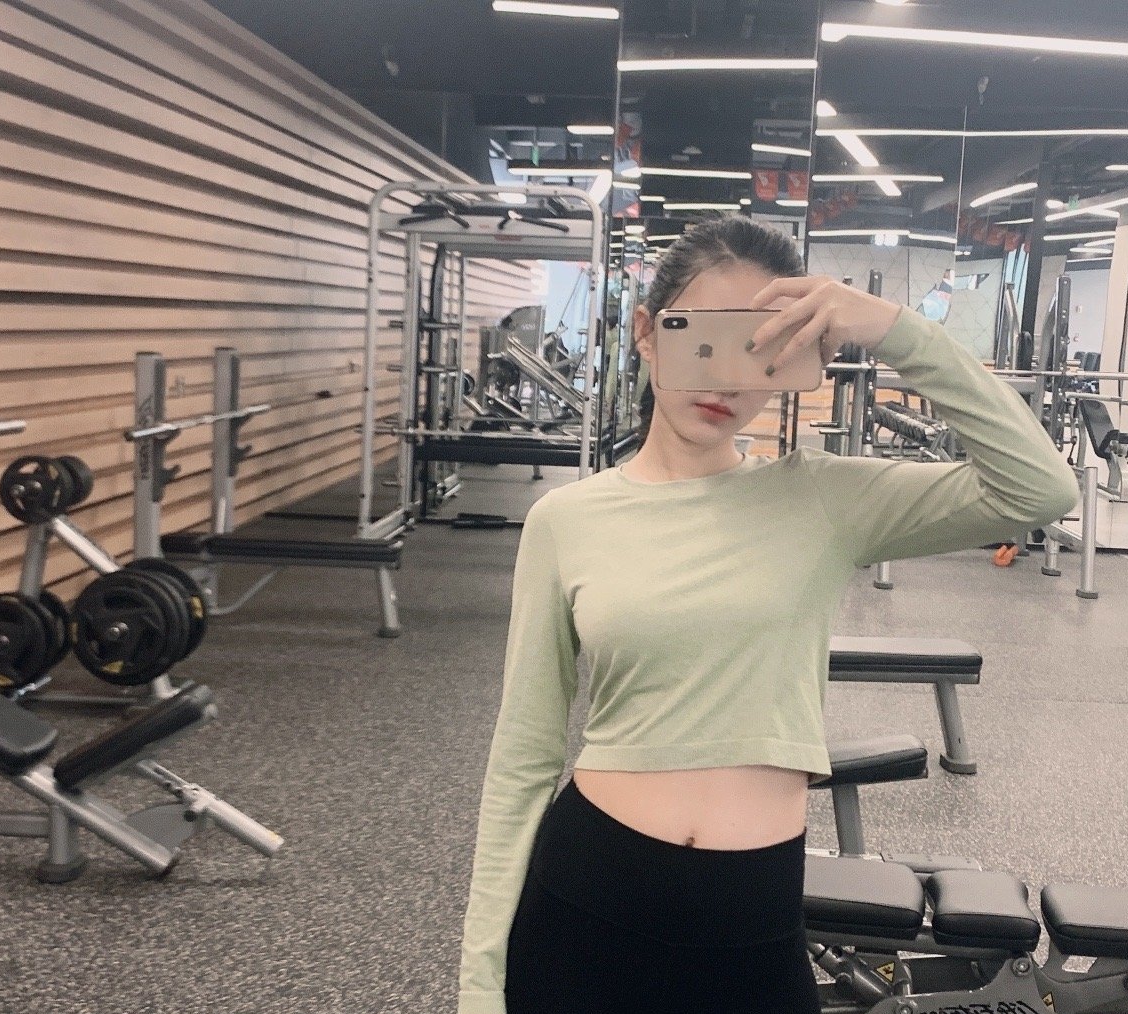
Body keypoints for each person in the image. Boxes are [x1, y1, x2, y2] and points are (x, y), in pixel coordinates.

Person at [457, 217, 1079, 1014]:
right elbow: (523, 759)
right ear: (647, 333)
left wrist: (894, 330)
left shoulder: (820, 498)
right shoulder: (565, 520)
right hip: (589, 901)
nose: (726, 381)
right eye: (704, 340)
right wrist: (480, 981)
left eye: (758, 350)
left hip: (755, 916)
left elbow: (1039, 489)